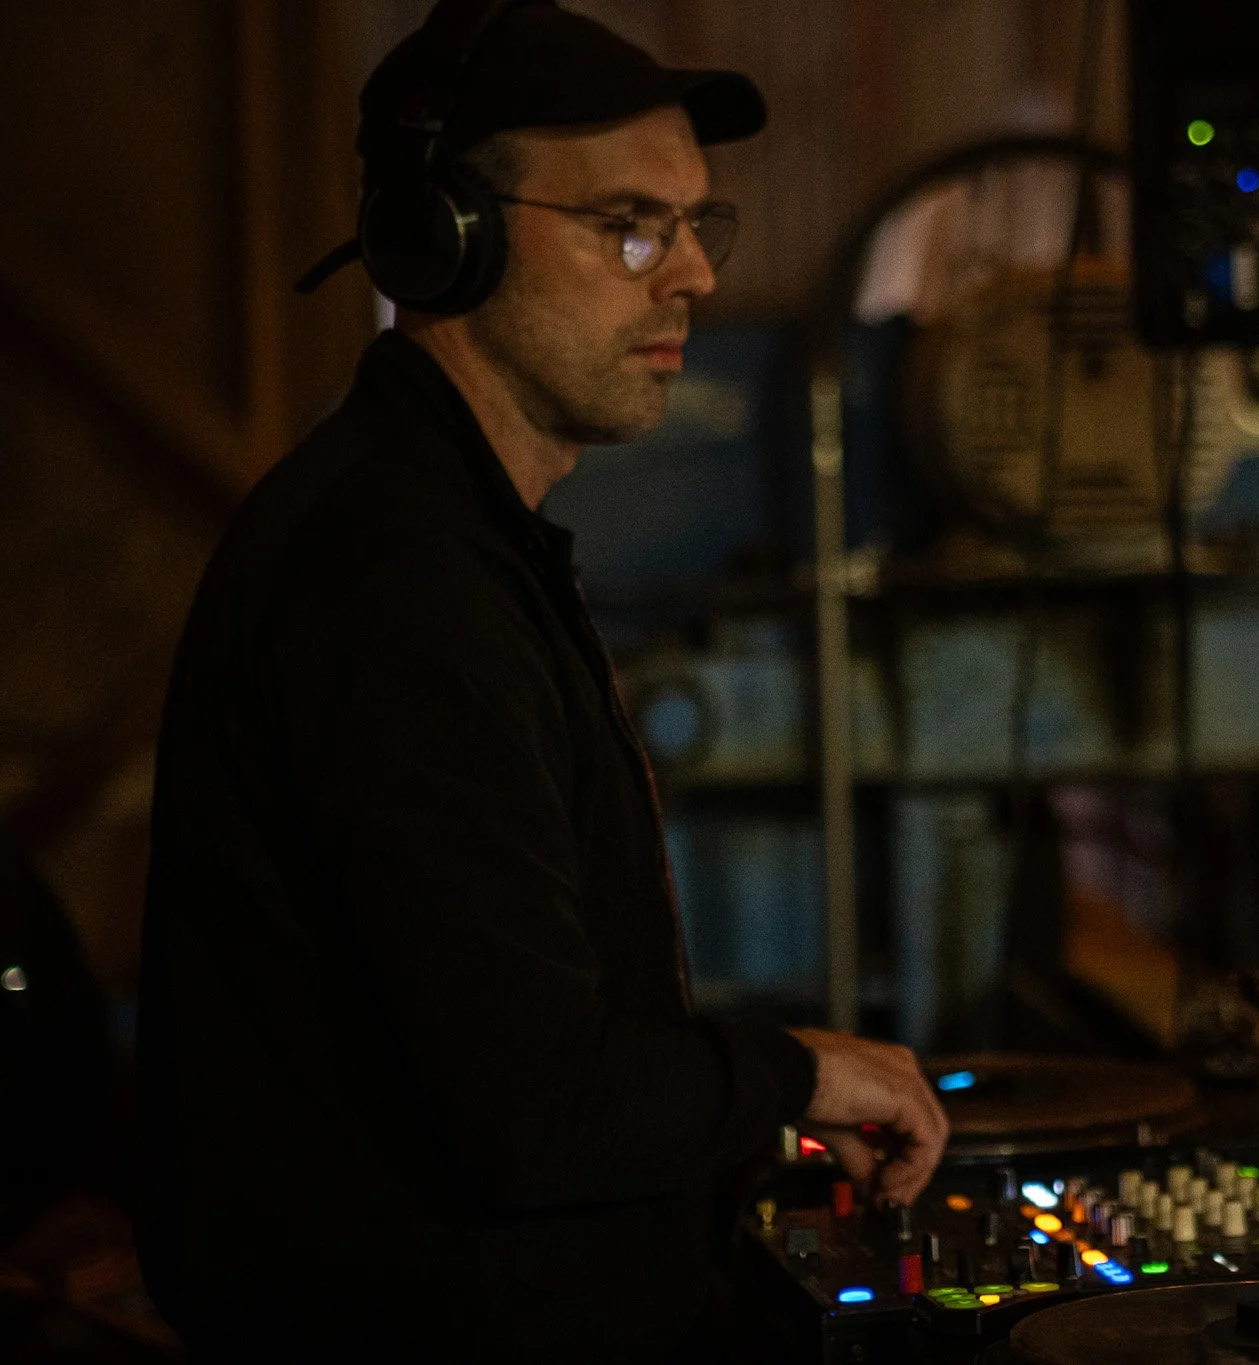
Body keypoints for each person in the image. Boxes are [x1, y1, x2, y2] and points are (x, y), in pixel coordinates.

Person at [135, 4, 946, 1361]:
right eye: (630, 227)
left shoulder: (448, 536)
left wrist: (738, 1120)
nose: (692, 274)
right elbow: (534, 1101)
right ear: (443, 238)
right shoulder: (394, 581)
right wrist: (793, 1073)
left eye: (695, 225)